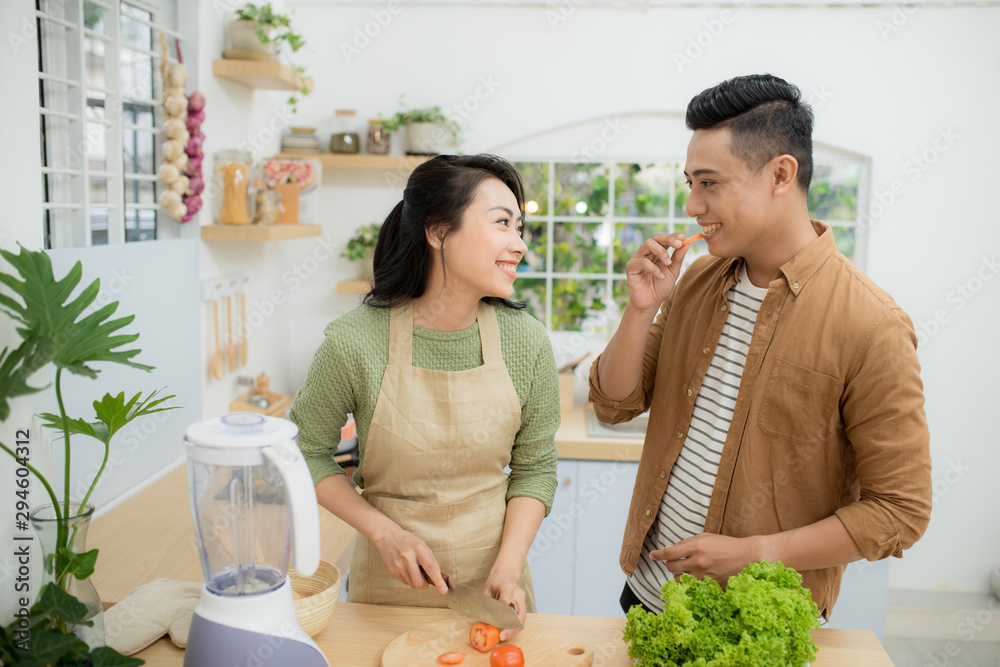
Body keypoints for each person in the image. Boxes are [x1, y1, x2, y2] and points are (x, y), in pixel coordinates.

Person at [588, 74, 932, 619]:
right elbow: (613, 403)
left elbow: (900, 512)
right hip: (649, 595)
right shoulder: (697, 281)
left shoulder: (872, 324)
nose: (693, 205)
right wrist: (640, 309)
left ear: (780, 174)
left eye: (710, 183)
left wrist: (756, 554)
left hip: (758, 618)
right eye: (689, 183)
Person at [289, 154, 559, 636]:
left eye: (520, 228)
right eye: (502, 223)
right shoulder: (355, 341)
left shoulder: (526, 341)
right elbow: (304, 453)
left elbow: (536, 468)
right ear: (438, 232)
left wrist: (508, 567)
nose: (519, 244)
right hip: (390, 590)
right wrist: (383, 532)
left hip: (496, 586)